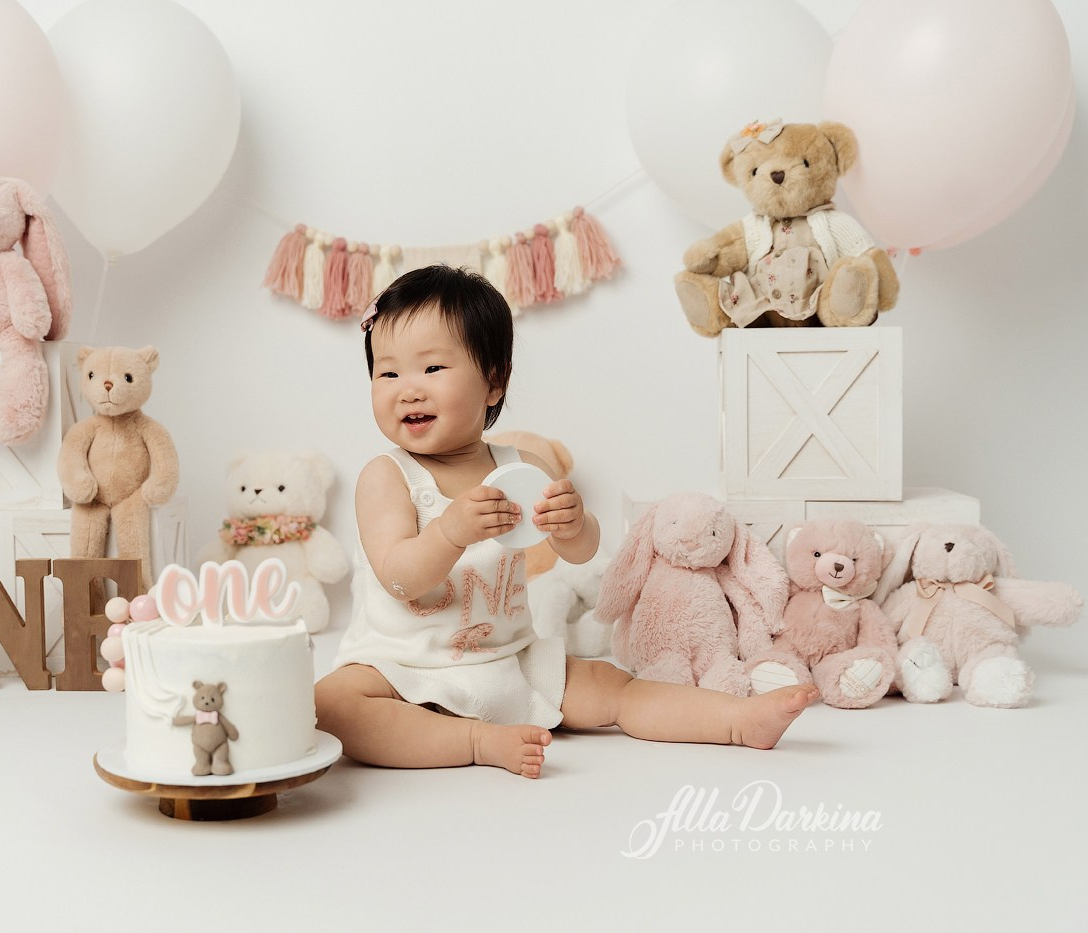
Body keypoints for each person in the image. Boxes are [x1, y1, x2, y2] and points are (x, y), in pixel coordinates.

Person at [314, 265, 817, 778]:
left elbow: (577, 554)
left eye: (433, 369)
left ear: (493, 380)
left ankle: (737, 721)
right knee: (332, 705)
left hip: (511, 659)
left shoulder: (517, 468)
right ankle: (475, 740)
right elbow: (399, 577)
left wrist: (574, 526)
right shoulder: (388, 476)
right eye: (388, 373)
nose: (408, 390)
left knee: (614, 686)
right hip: (406, 671)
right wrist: (448, 531)